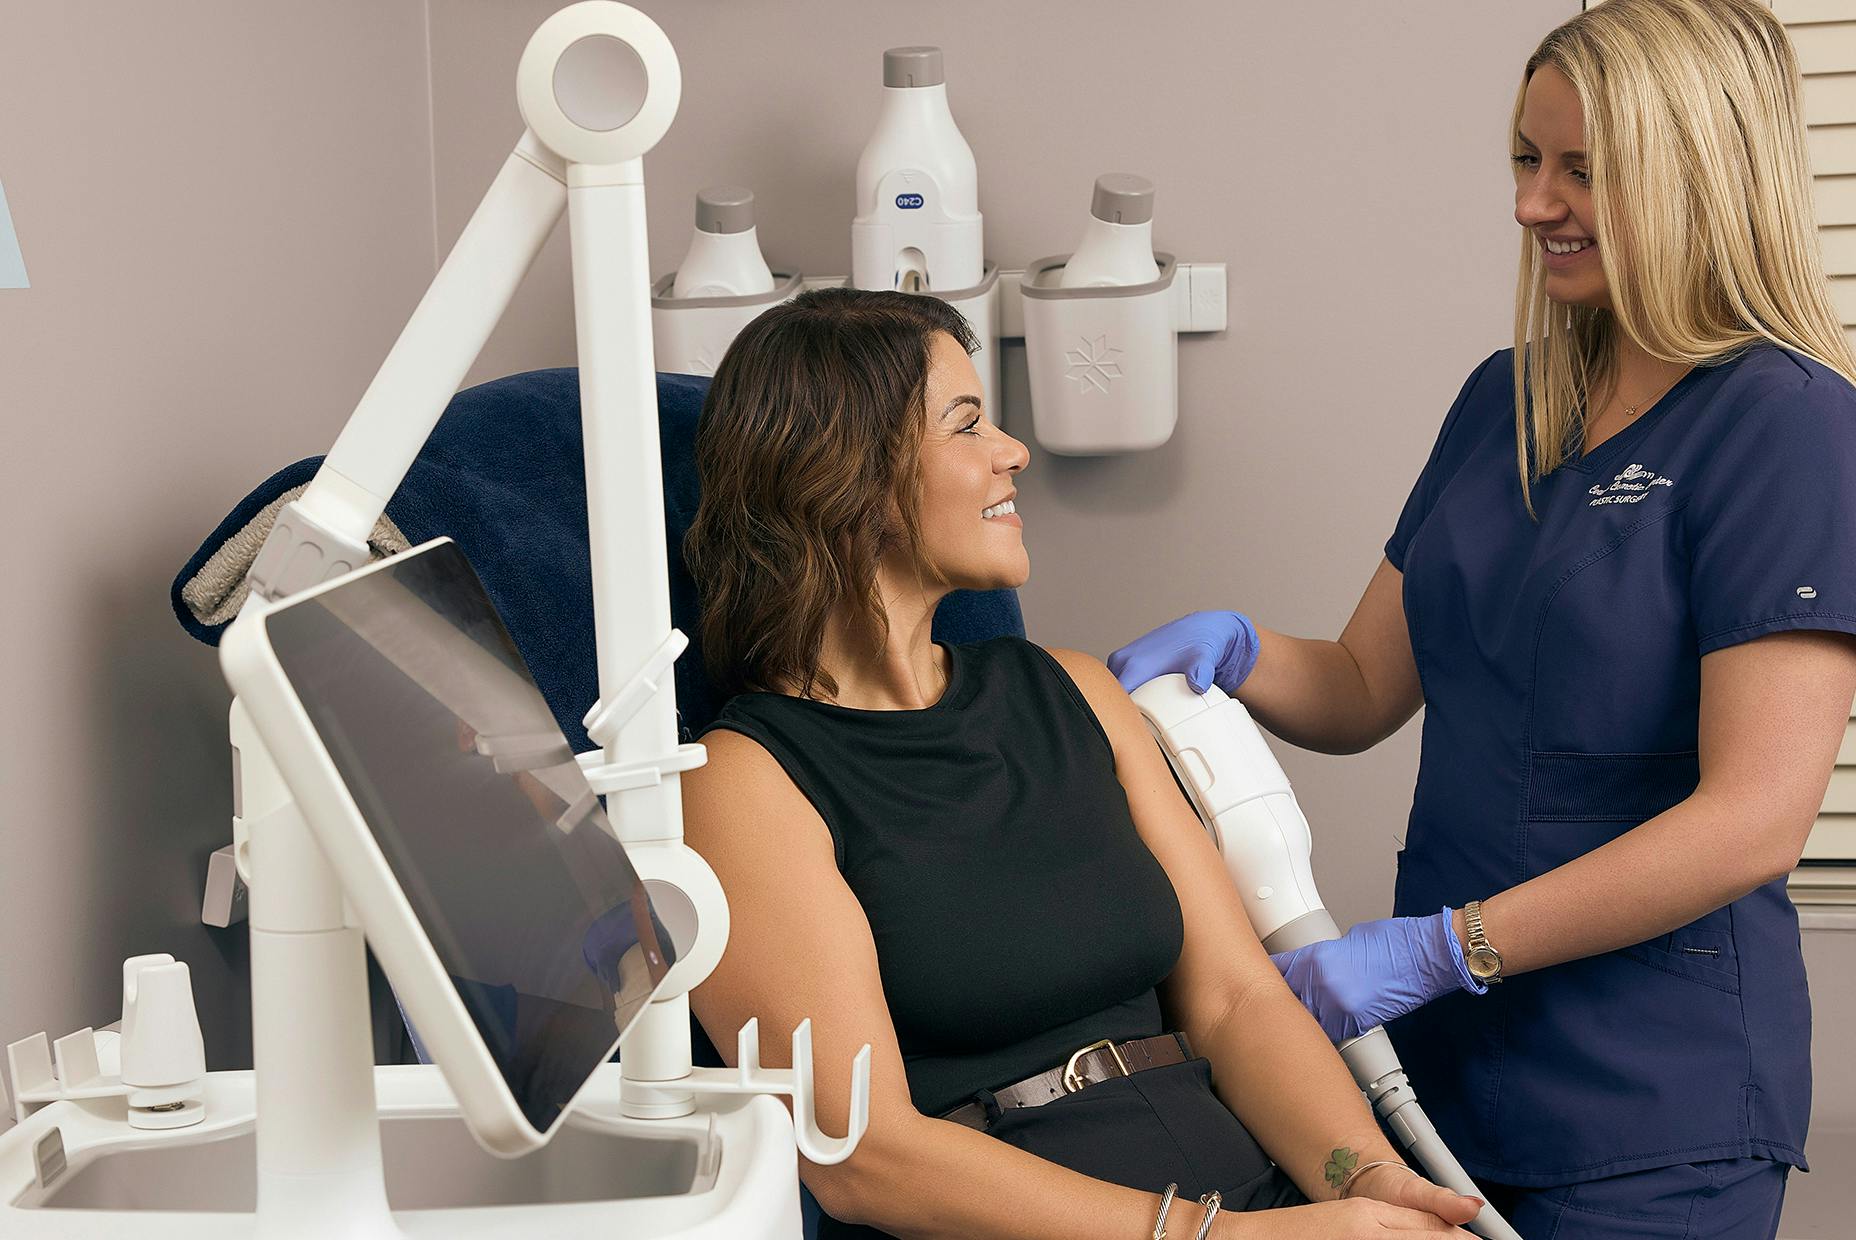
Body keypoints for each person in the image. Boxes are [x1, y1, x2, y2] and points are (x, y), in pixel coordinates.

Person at [1110, 2, 1856, 1236]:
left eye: (1580, 171)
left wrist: (1430, 951)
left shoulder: (1785, 423)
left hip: (1646, 1099)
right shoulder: (1503, 396)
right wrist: (1239, 652)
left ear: (1695, 179)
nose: (1529, 205)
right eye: (1524, 158)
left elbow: (1748, 825)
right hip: (1439, 1079)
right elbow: (1359, 685)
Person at [679, 286, 1482, 1239]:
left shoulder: (1073, 692)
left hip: (1256, 1197)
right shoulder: (742, 784)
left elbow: (1236, 1000)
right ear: (841, 472)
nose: (1013, 451)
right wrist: (1223, 1238)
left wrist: (1367, 1183)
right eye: (967, 423)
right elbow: (862, 1156)